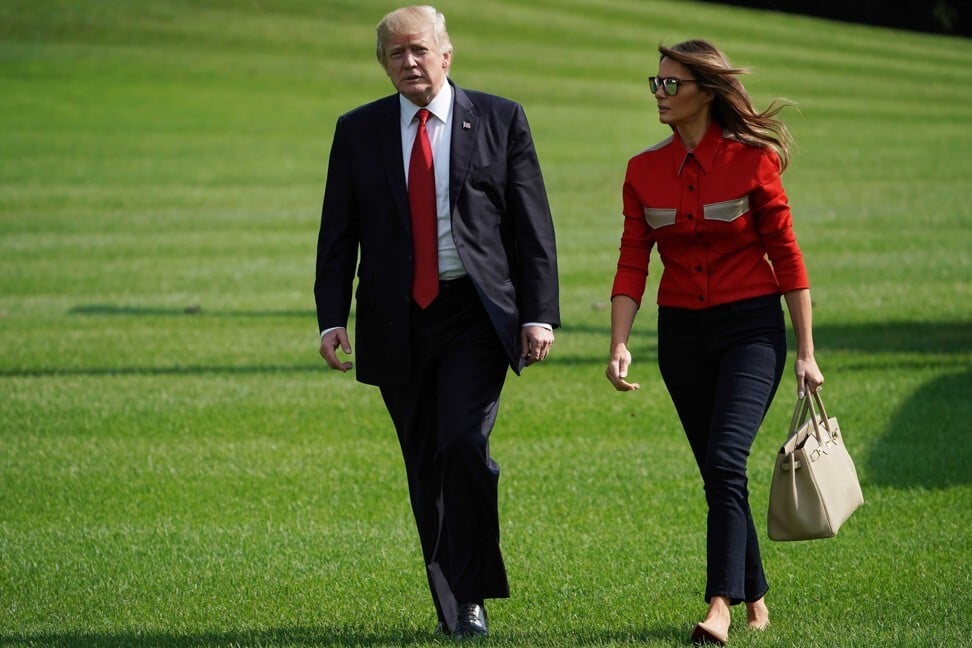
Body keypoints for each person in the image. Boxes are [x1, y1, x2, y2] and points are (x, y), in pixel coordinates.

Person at [314, 5, 560, 640]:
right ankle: (455, 610)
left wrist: (538, 315)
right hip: (397, 320)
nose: (410, 62)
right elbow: (337, 235)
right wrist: (330, 318)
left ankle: (473, 589)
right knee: (425, 463)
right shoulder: (358, 131)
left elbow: (532, 228)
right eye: (396, 54)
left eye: (420, 50)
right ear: (383, 65)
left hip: (476, 316)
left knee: (461, 444)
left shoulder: (501, 119)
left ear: (447, 54)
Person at [605, 40, 824, 646]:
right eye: (656, 83)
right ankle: (756, 596)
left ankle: (719, 607)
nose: (659, 94)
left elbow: (788, 258)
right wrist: (620, 342)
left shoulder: (753, 162)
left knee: (726, 462)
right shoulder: (641, 171)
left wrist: (805, 353)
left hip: (751, 332)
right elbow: (632, 262)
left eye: (672, 84)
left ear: (706, 90)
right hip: (682, 337)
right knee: (717, 471)